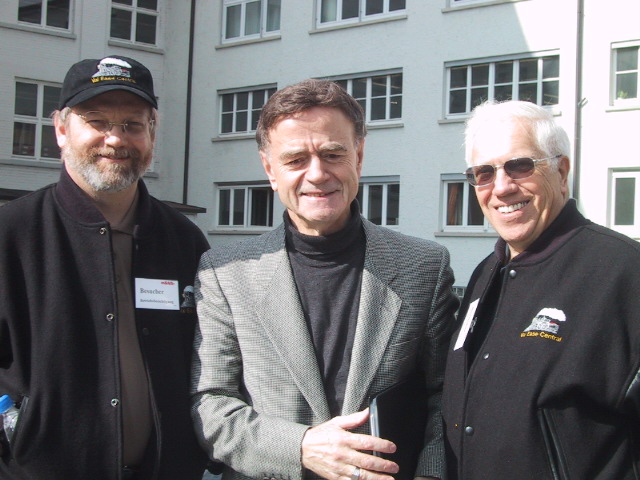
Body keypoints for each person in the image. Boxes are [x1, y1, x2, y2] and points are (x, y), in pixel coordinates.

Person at [191, 79, 459, 480]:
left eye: (333, 154)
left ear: (359, 156)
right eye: (296, 159)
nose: (317, 174)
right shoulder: (224, 272)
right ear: (270, 169)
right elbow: (210, 404)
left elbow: (446, 397)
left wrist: (430, 475)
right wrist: (300, 448)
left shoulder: (424, 266)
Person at [0, 55, 210, 479]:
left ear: (152, 131)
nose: (115, 140)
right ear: (61, 129)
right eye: (96, 121)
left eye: (133, 124)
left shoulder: (185, 241)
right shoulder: (11, 234)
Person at [441, 100, 640, 479]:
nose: (501, 187)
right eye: (484, 173)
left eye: (520, 166)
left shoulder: (624, 273)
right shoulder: (486, 274)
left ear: (561, 171)